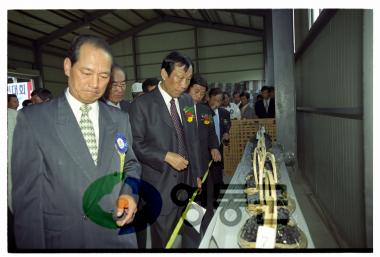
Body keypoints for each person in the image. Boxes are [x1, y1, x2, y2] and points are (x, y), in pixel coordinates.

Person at [12, 34, 141, 249]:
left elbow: (131, 164)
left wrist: (129, 193)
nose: (95, 84)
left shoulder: (119, 118)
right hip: (67, 239)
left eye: (103, 76)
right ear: (67, 66)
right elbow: (28, 204)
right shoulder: (34, 120)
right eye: (87, 73)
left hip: (117, 236)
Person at [129, 51, 202, 248]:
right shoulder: (141, 105)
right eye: (179, 78)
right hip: (160, 183)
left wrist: (197, 173)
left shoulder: (187, 101)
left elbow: (192, 139)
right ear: (164, 74)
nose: (184, 84)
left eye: (188, 79)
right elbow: (136, 144)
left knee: (191, 230)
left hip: (188, 180)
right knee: (165, 239)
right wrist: (164, 156)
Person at [187, 75, 221, 239]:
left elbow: (211, 133)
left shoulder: (204, 111)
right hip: (187, 165)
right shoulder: (180, 109)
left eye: (202, 93)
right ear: (188, 88)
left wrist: (214, 147)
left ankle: (208, 233)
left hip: (204, 162)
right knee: (193, 202)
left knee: (208, 199)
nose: (199, 95)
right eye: (196, 91)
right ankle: (194, 237)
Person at [207, 88, 231, 208]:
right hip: (205, 151)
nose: (217, 103)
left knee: (217, 175)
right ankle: (207, 200)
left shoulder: (224, 113)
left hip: (219, 149)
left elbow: (227, 125)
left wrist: (226, 132)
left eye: (219, 100)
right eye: (214, 100)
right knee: (207, 176)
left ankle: (216, 199)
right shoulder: (203, 112)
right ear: (209, 98)